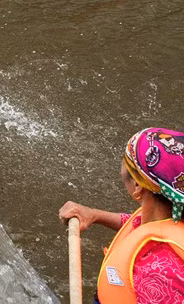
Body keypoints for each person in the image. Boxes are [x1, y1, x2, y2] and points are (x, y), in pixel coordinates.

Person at [59, 127, 184, 303]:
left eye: (126, 162)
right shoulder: (170, 213)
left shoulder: (155, 277)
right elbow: (136, 224)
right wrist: (94, 215)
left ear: (137, 186)